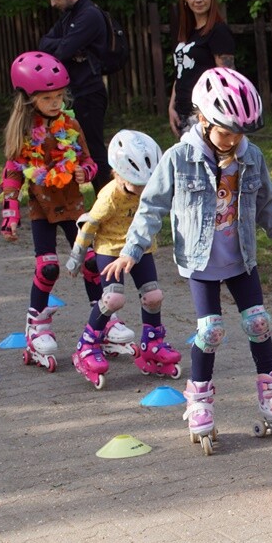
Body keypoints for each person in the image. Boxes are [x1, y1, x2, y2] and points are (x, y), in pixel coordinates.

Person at [106, 67, 272, 456]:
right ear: (203, 119)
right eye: (226, 131)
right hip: (202, 261)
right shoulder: (178, 158)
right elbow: (151, 206)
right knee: (210, 331)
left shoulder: (250, 156)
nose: (234, 140)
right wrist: (131, 250)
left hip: (241, 257)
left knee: (259, 321)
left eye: (241, 132)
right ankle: (199, 399)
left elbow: (269, 207)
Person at [0, 51, 102, 373]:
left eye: (59, 96)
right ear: (30, 99)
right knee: (48, 268)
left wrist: (87, 171)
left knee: (91, 261)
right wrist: (9, 211)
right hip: (42, 208)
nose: (56, 102)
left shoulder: (69, 123)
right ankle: (37, 325)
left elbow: (88, 159)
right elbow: (13, 171)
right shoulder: (24, 132)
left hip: (72, 203)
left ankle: (103, 321)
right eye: (48, 98)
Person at [65, 129, 182, 389]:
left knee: (153, 296)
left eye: (146, 185)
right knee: (113, 299)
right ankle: (86, 345)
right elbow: (89, 225)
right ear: (118, 173)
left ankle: (152, 343)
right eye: (136, 185)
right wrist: (77, 256)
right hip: (110, 249)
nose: (142, 191)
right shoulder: (109, 196)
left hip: (140, 249)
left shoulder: (151, 190)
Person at [40, 0, 110, 192]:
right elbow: (44, 44)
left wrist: (67, 46)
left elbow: (61, 52)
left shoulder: (89, 15)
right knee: (74, 148)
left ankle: (108, 204)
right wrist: (68, 44)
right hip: (75, 93)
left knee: (94, 150)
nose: (53, 3)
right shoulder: (70, 16)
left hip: (89, 92)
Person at [169, 0, 236, 138]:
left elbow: (227, 79)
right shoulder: (188, 33)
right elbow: (181, 71)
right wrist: (172, 106)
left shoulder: (218, 31)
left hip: (206, 116)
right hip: (183, 114)